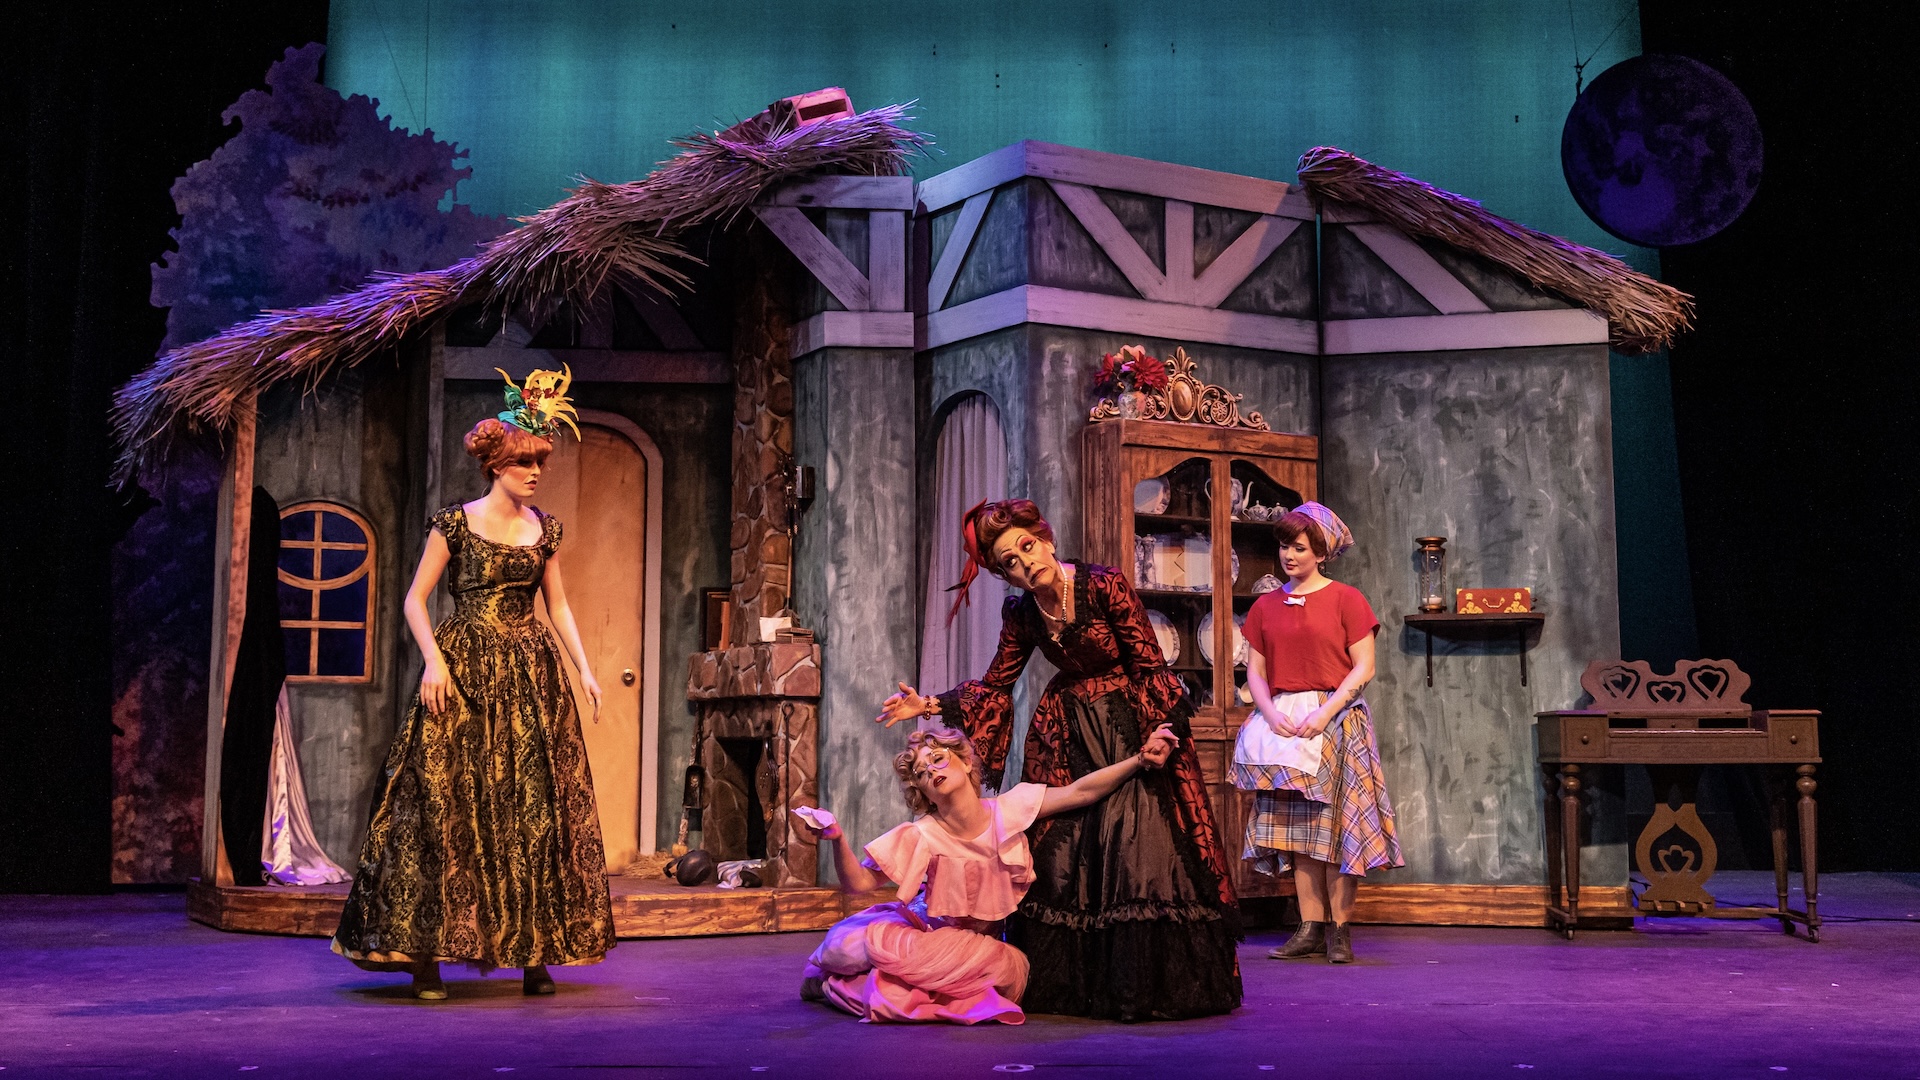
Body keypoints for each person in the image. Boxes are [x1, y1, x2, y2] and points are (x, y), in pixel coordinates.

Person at [877, 499, 1241, 1021]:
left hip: (1128, 723)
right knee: (1066, 855)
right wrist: (929, 704)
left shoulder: (1103, 584)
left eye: (1027, 547)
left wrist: (1162, 731)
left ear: (1045, 539)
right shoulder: (1022, 613)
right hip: (1067, 735)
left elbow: (1148, 665)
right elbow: (996, 685)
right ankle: (1083, 989)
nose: (1025, 563)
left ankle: (1145, 989)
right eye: (1010, 562)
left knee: (1136, 847)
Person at [332, 368, 615, 999]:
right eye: (523, 464)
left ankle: (535, 951)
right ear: (495, 467)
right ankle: (426, 956)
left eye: (538, 463)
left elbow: (558, 605)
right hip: (464, 667)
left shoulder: (545, 528)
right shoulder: (454, 524)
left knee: (532, 807)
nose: (534, 473)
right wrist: (434, 662)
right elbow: (415, 599)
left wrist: (583, 667)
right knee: (443, 804)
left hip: (530, 673)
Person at [800, 721, 1178, 1024]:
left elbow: (1081, 792)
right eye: (921, 772)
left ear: (966, 762)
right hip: (924, 933)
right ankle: (846, 980)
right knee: (848, 948)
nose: (931, 770)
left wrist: (1139, 760)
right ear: (922, 792)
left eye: (938, 759)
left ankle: (854, 986)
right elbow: (859, 884)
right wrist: (837, 838)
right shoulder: (921, 833)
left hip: (981, 947)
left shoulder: (1009, 810)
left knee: (953, 983)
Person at [1233, 502, 1402, 964]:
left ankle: (1340, 931)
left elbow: (1364, 667)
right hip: (1287, 724)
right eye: (1285, 546)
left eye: (1300, 548)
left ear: (1322, 553)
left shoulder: (1346, 599)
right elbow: (1256, 672)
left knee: (1339, 828)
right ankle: (1309, 927)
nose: (1289, 555)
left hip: (1337, 722)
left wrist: (1327, 712)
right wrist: (1269, 713)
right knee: (1302, 830)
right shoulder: (1265, 606)